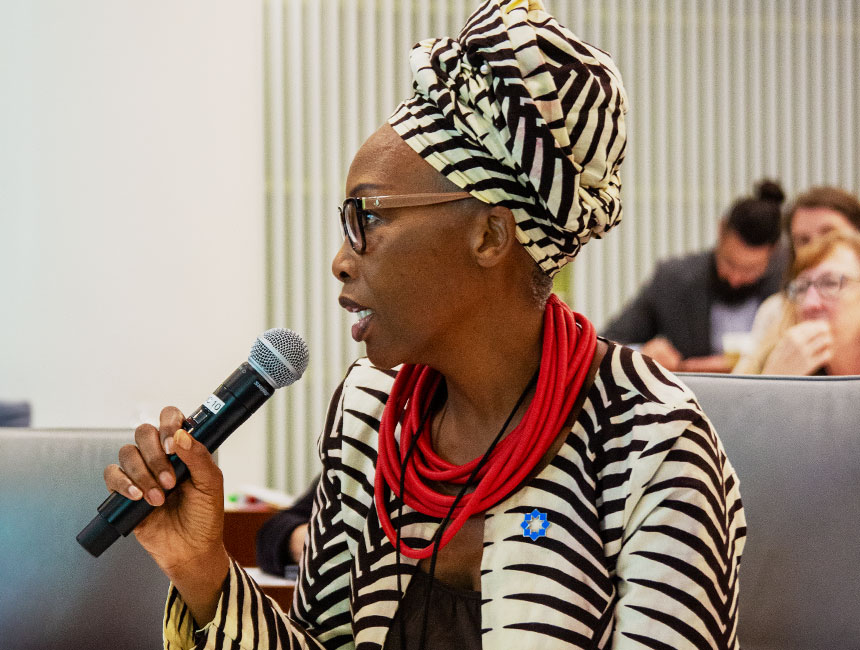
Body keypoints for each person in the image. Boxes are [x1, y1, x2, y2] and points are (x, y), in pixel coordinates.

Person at [103, 2, 746, 648]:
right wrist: (203, 568)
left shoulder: (652, 446)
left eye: (369, 217)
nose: (340, 259)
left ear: (490, 234)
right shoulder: (370, 410)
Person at [601, 180, 787, 373]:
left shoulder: (792, 284)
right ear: (721, 232)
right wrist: (642, 354)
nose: (735, 279)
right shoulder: (674, 280)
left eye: (750, 270)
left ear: (774, 253)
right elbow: (608, 343)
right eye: (729, 264)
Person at [733, 186, 860, 374]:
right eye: (803, 240)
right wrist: (778, 381)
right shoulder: (778, 312)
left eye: (829, 234)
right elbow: (738, 393)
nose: (816, 247)